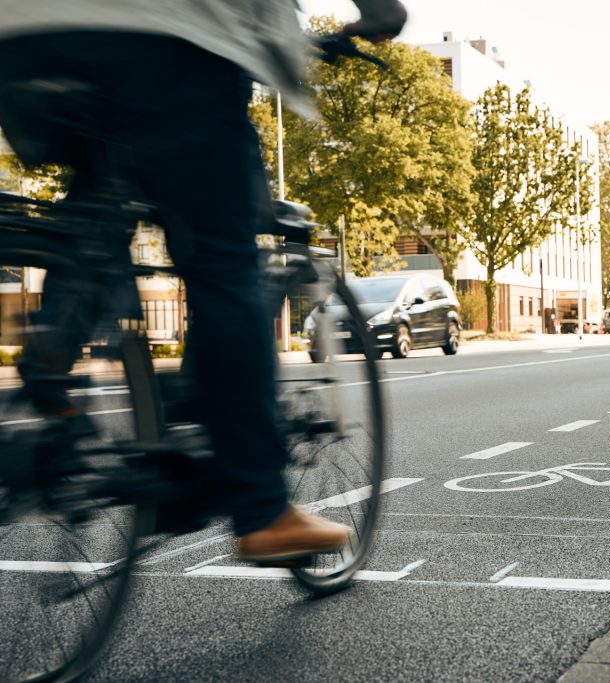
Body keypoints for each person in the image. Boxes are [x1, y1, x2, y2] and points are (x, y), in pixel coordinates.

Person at [0, 0, 407, 562]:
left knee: (97, 214)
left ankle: (50, 360)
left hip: (21, 40)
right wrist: (381, 10)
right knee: (223, 261)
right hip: (167, 39)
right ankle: (263, 508)